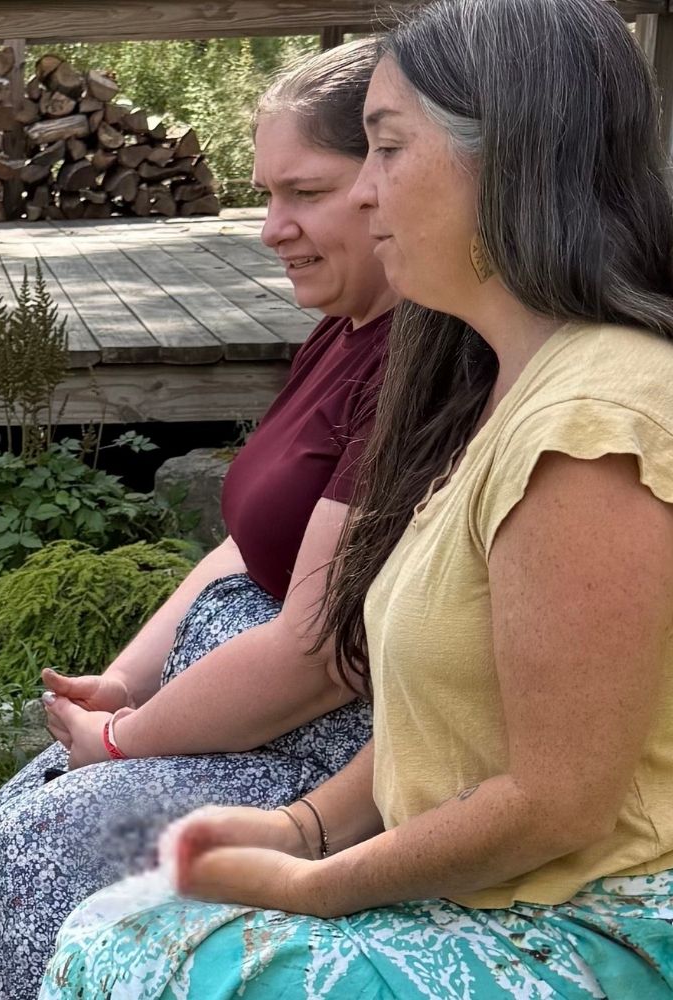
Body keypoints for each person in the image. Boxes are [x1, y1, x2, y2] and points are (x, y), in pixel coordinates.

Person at [40, 0, 673, 995]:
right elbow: (470, 720)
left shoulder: (591, 421)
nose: (366, 198)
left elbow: (558, 804)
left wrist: (317, 882)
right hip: (509, 886)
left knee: (138, 949)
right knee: (120, 915)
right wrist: (304, 826)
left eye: (384, 151)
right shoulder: (505, 387)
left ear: (508, 156)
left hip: (600, 920)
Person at [0, 39, 404, 998]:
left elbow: (322, 654)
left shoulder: (416, 369)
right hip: (239, 706)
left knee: (59, 831)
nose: (270, 229)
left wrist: (128, 742)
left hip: (333, 745)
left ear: (388, 181)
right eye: (265, 193)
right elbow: (247, 548)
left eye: (305, 193)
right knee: (28, 800)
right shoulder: (343, 328)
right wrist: (126, 685)